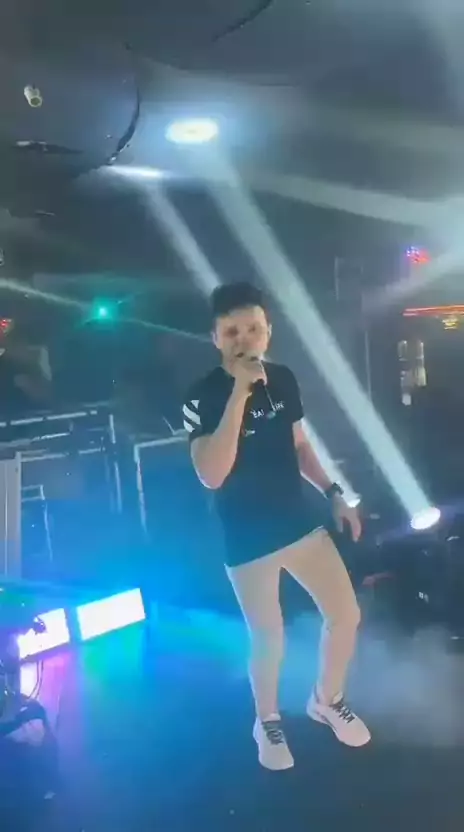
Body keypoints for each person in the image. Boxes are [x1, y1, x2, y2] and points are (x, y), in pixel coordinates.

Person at [182, 282, 370, 771]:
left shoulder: (283, 379)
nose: (244, 340)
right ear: (216, 338)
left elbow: (300, 446)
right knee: (269, 637)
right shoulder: (201, 396)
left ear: (268, 332)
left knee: (345, 615)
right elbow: (211, 473)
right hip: (246, 534)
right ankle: (266, 719)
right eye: (232, 332)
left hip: (298, 521)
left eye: (253, 329)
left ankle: (327, 699)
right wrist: (239, 395)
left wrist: (333, 492)